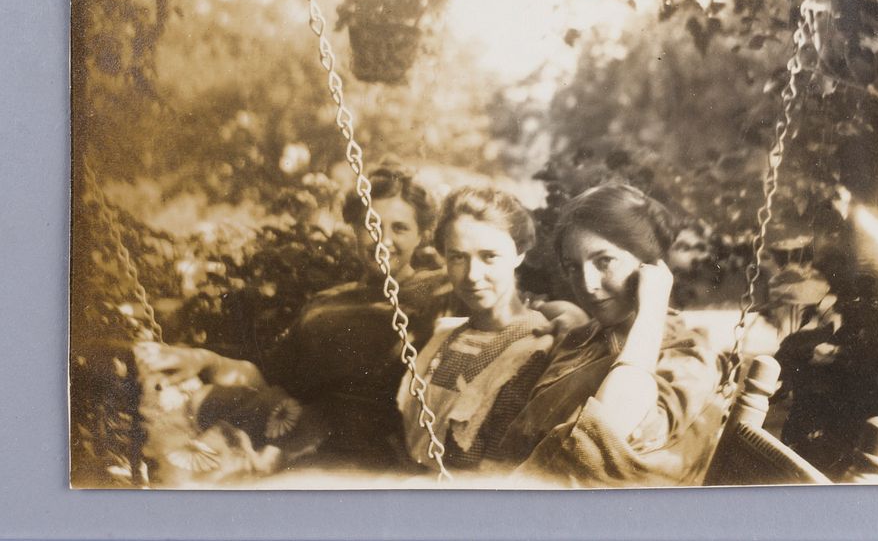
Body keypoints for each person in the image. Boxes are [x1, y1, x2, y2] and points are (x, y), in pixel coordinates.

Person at [139, 163, 456, 476]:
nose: (383, 241)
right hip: (302, 431)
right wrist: (205, 359)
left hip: (375, 446)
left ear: (422, 235)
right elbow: (270, 377)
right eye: (370, 226)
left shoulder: (436, 290)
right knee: (164, 399)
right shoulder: (328, 302)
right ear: (355, 229)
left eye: (400, 228)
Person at [500, 183, 727, 487]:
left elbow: (611, 429)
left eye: (604, 261)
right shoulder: (581, 339)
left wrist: (652, 308)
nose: (588, 284)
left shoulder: (687, 355)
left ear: (650, 264)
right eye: (573, 267)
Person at [397, 186, 563, 472]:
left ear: (519, 253)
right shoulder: (443, 336)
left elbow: (496, 471)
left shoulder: (535, 348)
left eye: (489, 256)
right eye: (458, 257)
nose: (472, 276)